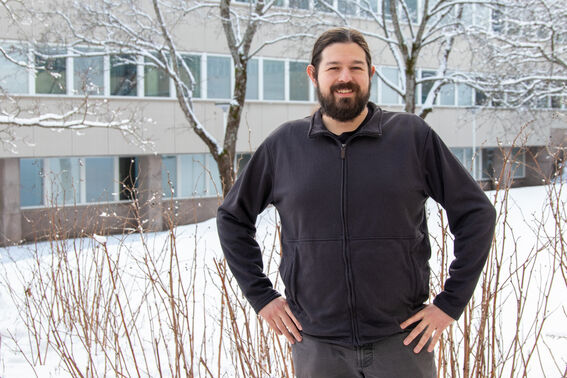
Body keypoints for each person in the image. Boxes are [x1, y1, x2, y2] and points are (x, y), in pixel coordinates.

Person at [217, 27, 496, 378]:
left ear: (371, 74)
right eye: (333, 68)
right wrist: (262, 296)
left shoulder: (411, 137)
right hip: (317, 346)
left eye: (356, 68)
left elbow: (476, 214)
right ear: (313, 75)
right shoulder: (283, 146)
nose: (345, 78)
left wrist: (450, 303)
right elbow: (231, 218)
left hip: (403, 343)